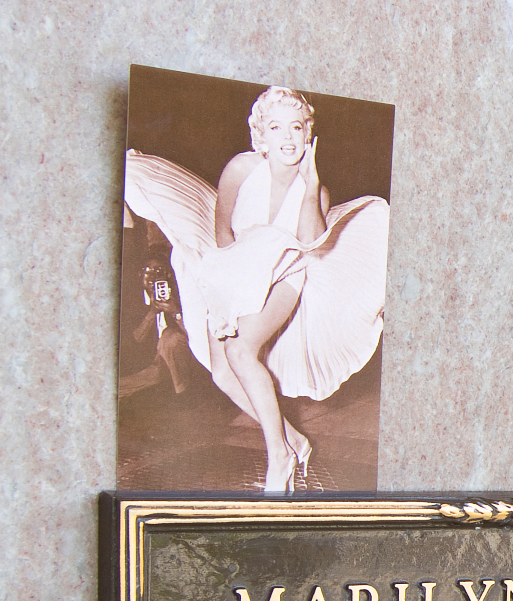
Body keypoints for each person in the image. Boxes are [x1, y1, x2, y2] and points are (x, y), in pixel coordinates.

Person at [123, 85, 389, 491]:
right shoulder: (241, 169)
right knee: (222, 373)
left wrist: (312, 182)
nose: (287, 137)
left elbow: (312, 241)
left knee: (240, 351)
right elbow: (222, 230)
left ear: (308, 135)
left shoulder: (313, 188)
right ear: (260, 135)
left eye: (296, 127)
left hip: (287, 273)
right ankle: (294, 440)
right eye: (276, 127)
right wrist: (228, 292)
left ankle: (278, 458)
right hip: (235, 269)